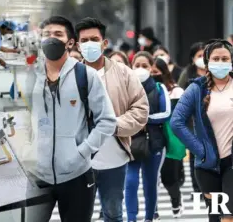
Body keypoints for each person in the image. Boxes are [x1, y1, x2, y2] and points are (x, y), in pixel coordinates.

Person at [23, 16, 117, 222]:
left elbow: (107, 120)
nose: (51, 39)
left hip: (77, 176)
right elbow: (22, 117)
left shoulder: (85, 75)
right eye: (46, 34)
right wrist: (26, 150)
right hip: (37, 175)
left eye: (58, 34)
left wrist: (82, 152)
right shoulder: (31, 76)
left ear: (70, 42)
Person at [75, 17, 149, 222]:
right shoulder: (69, 76)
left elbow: (141, 109)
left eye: (94, 39)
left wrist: (113, 125)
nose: (89, 44)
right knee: (78, 214)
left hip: (114, 160)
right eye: (85, 40)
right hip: (78, 160)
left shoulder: (124, 73)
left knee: (113, 213)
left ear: (104, 43)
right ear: (78, 44)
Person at [171, 39, 233, 222]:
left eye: (225, 59)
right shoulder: (196, 89)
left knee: (228, 216)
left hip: (231, 163)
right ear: (207, 63)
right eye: (216, 59)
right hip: (207, 165)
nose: (220, 63)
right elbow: (176, 122)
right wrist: (200, 150)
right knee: (215, 216)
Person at [125, 51, 171, 222]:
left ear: (152, 68)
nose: (140, 69)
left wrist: (146, 120)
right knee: (130, 181)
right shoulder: (125, 88)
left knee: (150, 183)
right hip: (130, 140)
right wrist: (135, 122)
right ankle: (131, 218)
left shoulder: (160, 89)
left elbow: (166, 113)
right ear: (131, 67)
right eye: (137, 65)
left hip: (155, 142)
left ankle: (149, 218)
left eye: (145, 66)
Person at [151, 58, 186, 218]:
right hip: (151, 138)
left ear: (164, 72)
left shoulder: (176, 92)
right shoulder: (142, 90)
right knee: (151, 178)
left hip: (171, 138)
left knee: (168, 178)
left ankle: (176, 201)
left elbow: (184, 117)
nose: (153, 76)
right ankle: (154, 210)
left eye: (156, 72)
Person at [176, 42, 206, 199]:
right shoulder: (187, 74)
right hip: (192, 121)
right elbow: (180, 96)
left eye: (204, 55)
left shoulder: (215, 72)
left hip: (212, 121)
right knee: (195, 155)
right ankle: (197, 189)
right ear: (193, 58)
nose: (202, 59)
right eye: (199, 56)